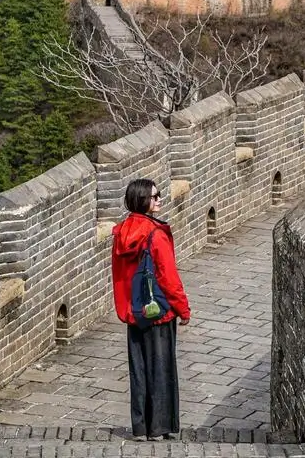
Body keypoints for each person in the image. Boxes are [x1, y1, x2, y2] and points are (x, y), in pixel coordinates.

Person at [111, 179, 191, 441]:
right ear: (143, 200)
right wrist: (183, 309)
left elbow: (119, 275)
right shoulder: (155, 234)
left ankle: (140, 428)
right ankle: (159, 427)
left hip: (134, 312)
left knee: (139, 370)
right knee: (161, 368)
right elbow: (168, 277)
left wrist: (126, 307)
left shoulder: (122, 233)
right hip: (157, 311)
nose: (159, 200)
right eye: (155, 196)